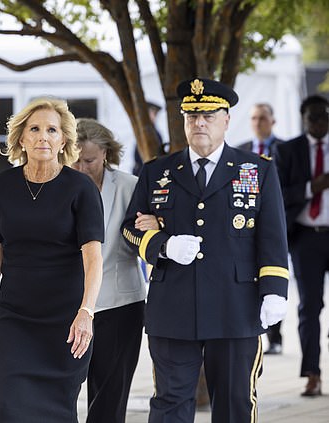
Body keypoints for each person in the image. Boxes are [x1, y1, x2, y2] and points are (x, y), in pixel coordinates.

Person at [121, 77, 289, 422]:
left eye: (209, 115)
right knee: (170, 404)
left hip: (236, 308)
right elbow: (129, 230)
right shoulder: (158, 172)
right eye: (191, 115)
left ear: (227, 120)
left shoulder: (257, 171)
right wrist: (164, 245)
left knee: (235, 404)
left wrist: (274, 292)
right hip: (174, 309)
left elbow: (272, 239)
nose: (199, 123)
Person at [0, 98, 104, 422]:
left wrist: (86, 312)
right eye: (35, 129)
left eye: (52, 130)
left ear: (63, 140)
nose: (43, 136)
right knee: (7, 406)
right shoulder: (2, 186)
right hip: (15, 319)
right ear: (21, 138)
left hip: (65, 321)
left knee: (57, 411)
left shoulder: (81, 188)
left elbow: (93, 256)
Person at [72, 118, 149, 423]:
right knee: (62, 388)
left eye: (89, 160)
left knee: (110, 394)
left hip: (120, 304)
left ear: (105, 153)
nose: (81, 168)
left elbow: (142, 238)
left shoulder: (130, 186)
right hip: (72, 304)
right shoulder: (59, 186)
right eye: (75, 160)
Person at [274, 94, 329, 397]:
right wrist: (312, 186)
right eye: (313, 117)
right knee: (310, 306)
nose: (319, 122)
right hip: (306, 236)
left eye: (324, 116)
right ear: (304, 119)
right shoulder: (288, 151)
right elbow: (278, 194)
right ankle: (312, 373)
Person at [238, 102, 285, 354]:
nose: (258, 123)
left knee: (275, 278)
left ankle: (275, 335)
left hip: (279, 223)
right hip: (245, 228)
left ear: (273, 121)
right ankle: (261, 330)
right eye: (254, 118)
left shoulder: (285, 149)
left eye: (263, 118)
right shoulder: (242, 150)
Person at [133, 100, 167, 176]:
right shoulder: (144, 132)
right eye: (152, 113)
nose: (154, 116)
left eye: (155, 114)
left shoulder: (155, 133)